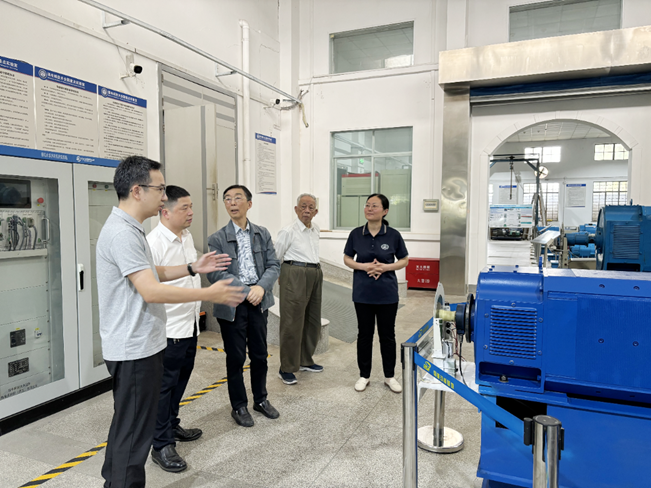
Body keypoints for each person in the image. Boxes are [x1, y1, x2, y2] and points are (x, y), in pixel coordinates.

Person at [96, 156, 245, 488]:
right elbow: (150, 290)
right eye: (160, 189)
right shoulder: (123, 233)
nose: (164, 197)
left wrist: (192, 268)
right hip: (133, 349)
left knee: (129, 429)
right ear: (137, 191)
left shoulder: (130, 229)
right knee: (133, 437)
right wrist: (210, 294)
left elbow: (153, 273)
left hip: (141, 345)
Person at [207, 185, 281, 427]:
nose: (232, 202)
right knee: (236, 357)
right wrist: (247, 290)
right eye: (227, 199)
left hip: (259, 301)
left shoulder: (262, 233)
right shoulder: (217, 239)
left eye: (237, 198)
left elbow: (273, 265)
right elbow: (215, 273)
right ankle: (238, 406)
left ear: (249, 204)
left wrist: (260, 288)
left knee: (260, 354)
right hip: (233, 303)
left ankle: (261, 399)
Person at [146, 186, 203, 473]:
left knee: (179, 382)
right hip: (168, 330)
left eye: (191, 206)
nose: (191, 212)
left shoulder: (187, 236)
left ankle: (171, 425)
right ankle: (161, 445)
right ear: (165, 211)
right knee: (163, 388)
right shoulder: (153, 243)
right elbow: (150, 288)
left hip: (190, 325)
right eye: (184, 208)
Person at [343, 193, 409, 394]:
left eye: (374, 206)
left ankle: (390, 376)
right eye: (367, 205)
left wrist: (385, 267)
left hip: (387, 294)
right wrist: (364, 266)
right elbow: (347, 258)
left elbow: (404, 260)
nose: (369, 209)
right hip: (362, 293)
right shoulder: (356, 234)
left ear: (385, 211)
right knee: (364, 335)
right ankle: (364, 375)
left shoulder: (393, 235)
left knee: (387, 335)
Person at [275, 193, 323, 385]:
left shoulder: (316, 229)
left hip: (315, 273)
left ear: (316, 212)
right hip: (294, 273)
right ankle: (286, 367)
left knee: (312, 320)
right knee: (291, 321)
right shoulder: (288, 231)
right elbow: (276, 256)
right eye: (303, 206)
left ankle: (305, 360)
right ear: (296, 209)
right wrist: (281, 275)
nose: (307, 210)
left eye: (311, 207)